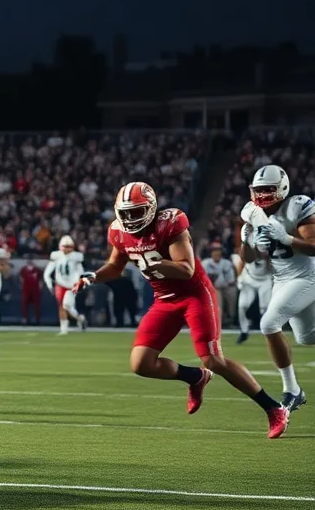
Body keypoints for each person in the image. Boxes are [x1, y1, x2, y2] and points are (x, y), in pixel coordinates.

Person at [77, 181, 287, 437]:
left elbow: (186, 268)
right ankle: (195, 377)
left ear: (152, 209)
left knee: (214, 360)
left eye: (137, 212)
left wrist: (156, 261)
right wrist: (93, 276)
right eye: (126, 212)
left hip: (195, 295)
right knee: (140, 364)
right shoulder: (118, 232)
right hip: (164, 299)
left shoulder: (171, 222)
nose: (131, 218)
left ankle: (274, 408)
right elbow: (115, 266)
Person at [238, 165, 309, 412]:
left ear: (282, 188)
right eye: (258, 190)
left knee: (269, 323)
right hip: (281, 279)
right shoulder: (251, 212)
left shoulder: (298, 205)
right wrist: (246, 241)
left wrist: (287, 238)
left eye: (268, 189)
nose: (263, 195)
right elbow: (247, 258)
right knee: (307, 337)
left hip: (308, 275)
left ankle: (293, 391)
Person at [233, 228, 272, 344]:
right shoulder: (249, 239)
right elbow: (242, 260)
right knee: (242, 306)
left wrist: (267, 257)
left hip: (265, 279)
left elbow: (272, 264)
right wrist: (239, 277)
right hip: (249, 278)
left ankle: (269, 332)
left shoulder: (270, 240)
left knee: (265, 307)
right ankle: (244, 331)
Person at [44, 235, 87, 334]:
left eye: (69, 246)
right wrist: (50, 285)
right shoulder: (56, 256)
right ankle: (64, 329)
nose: (67, 249)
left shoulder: (76, 257)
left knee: (67, 305)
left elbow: (81, 272)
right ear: (60, 246)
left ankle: (80, 318)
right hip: (60, 284)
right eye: (65, 246)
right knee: (61, 306)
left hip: (72, 285)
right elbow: (47, 272)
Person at [201, 243, 237, 327]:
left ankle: (231, 319)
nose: (217, 253)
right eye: (215, 251)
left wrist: (223, 284)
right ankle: (217, 322)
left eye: (218, 250)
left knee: (232, 292)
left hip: (226, 286)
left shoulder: (226, 263)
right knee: (217, 298)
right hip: (211, 288)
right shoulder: (205, 263)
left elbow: (231, 280)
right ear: (211, 252)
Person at [19, 257, 43, 324]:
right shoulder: (23, 269)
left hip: (35, 289)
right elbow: (21, 279)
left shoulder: (37, 270)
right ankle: (25, 318)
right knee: (24, 303)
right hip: (26, 289)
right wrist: (22, 285)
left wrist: (40, 287)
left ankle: (37, 319)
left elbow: (40, 280)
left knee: (37, 304)